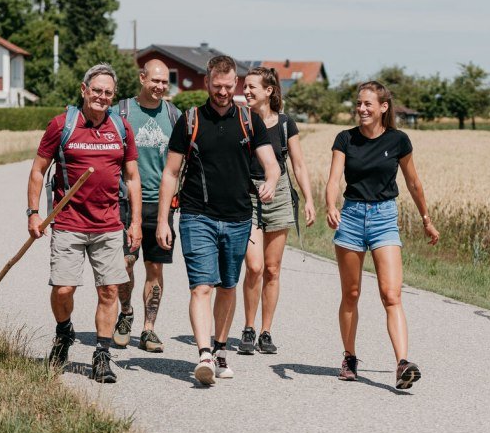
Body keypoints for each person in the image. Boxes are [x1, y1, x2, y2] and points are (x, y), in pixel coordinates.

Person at [156, 55, 279, 385]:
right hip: (197, 215)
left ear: (235, 84)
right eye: (216, 86)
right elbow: (170, 173)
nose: (222, 92)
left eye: (227, 86)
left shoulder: (249, 121)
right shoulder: (190, 120)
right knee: (202, 286)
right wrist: (163, 220)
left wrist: (270, 181)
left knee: (227, 286)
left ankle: (221, 348)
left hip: (238, 218)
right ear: (206, 82)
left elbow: (272, 165)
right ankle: (204, 354)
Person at [28, 63, 140, 385]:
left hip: (108, 224)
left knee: (109, 290)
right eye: (97, 90)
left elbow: (133, 178)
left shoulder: (121, 128)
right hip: (68, 223)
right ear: (84, 90)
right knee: (63, 288)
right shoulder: (61, 125)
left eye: (108, 92)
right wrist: (33, 213)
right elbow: (38, 170)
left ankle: (102, 354)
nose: (102, 97)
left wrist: (134, 222)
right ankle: (64, 332)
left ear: (113, 96)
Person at [325, 81, 439, 390]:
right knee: (351, 294)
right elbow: (334, 179)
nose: (361, 109)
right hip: (351, 217)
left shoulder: (398, 140)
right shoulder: (345, 138)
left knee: (391, 294)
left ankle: (402, 364)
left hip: (384, 218)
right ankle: (349, 357)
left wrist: (426, 220)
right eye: (359, 103)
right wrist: (330, 205)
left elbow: (413, 183)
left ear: (383, 107)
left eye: (367, 104)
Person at [237, 67, 316, 355]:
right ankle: (248, 327)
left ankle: (265, 331)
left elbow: (298, 164)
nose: (246, 91)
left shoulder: (284, 124)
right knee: (254, 266)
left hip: (279, 194)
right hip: (248, 194)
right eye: (245, 86)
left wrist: (308, 199)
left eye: (252, 87)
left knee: (272, 269)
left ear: (268, 91)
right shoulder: (240, 120)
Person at [112, 59, 180, 352]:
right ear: (142, 78)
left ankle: (148, 329)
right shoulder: (121, 112)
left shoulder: (174, 115)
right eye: (155, 80)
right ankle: (126, 313)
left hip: (161, 204)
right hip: (125, 201)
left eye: (164, 82)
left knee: (155, 266)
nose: (160, 87)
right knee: (125, 262)